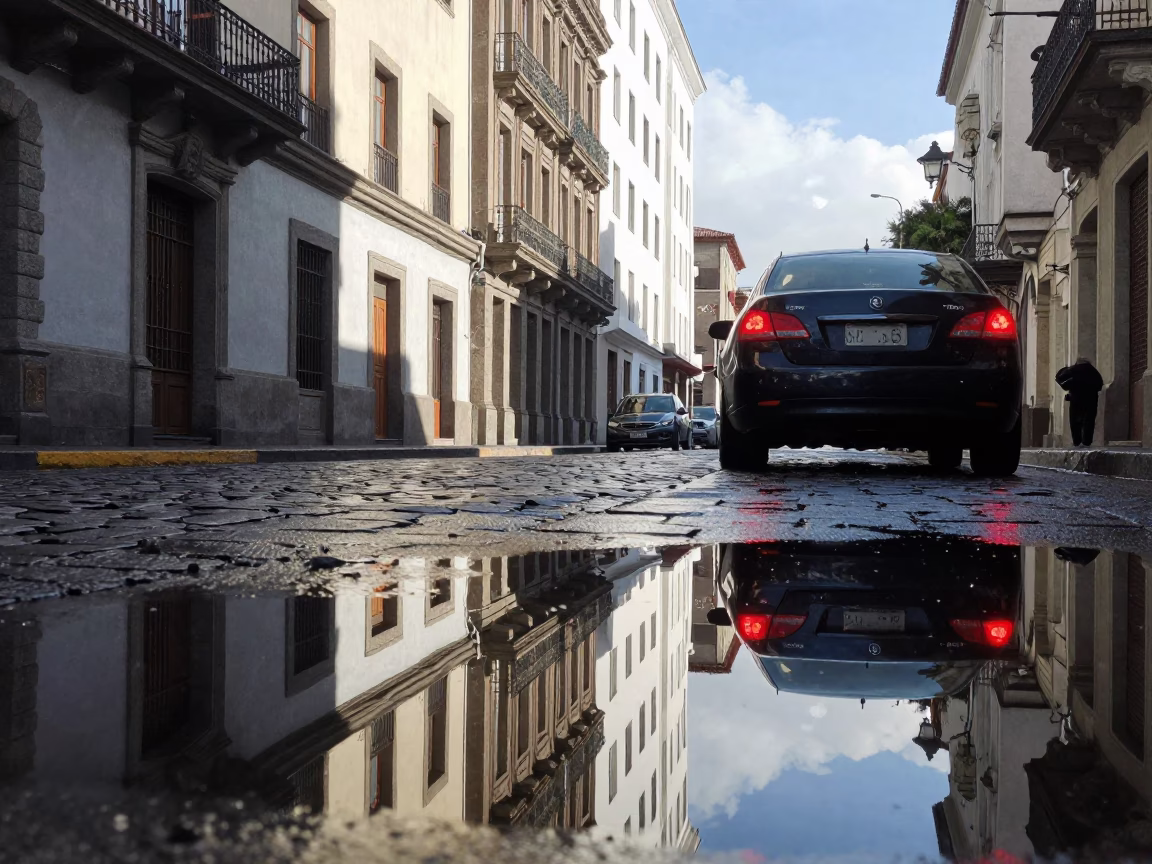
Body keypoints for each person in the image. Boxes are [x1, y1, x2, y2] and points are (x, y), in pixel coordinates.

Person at [1055, 358, 1104, 447]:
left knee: (1075, 421)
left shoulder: (1073, 370)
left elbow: (1059, 378)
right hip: (1091, 399)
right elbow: (1100, 385)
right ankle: (1086, 441)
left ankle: (1077, 441)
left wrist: (1066, 369)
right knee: (1089, 420)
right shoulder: (1093, 371)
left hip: (1076, 398)